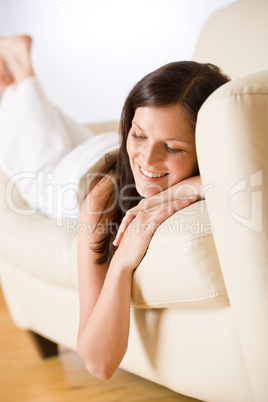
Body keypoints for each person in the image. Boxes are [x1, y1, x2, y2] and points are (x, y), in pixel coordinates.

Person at [0, 35, 230, 379]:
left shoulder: (212, 158)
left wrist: (122, 261)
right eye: (138, 134)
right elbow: (98, 363)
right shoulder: (102, 200)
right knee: (16, 134)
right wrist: (121, 259)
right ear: (128, 127)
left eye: (173, 147)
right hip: (70, 172)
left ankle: (13, 74)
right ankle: (20, 65)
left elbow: (237, 173)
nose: (149, 160)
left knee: (23, 119)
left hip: (104, 154)